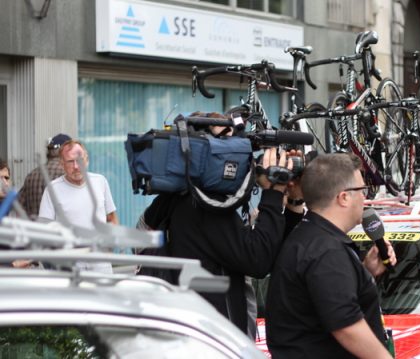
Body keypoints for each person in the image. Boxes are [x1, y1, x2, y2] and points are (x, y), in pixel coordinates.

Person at [138, 113, 305, 338]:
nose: (238, 151)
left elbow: (268, 250)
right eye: (227, 142)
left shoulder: (182, 197)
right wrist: (272, 192)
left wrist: (292, 201)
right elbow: (258, 260)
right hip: (212, 341)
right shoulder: (202, 206)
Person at [266, 153, 397, 359]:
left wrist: (365, 273)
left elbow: (325, 299)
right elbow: (346, 326)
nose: (366, 197)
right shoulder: (325, 250)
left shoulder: (310, 238)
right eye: (362, 190)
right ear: (344, 197)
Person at [38, 140, 118, 273]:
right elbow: (44, 230)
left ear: (87, 160)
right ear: (62, 164)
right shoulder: (52, 189)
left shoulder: (100, 182)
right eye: (70, 161)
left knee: (103, 294)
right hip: (69, 264)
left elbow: (112, 218)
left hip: (100, 262)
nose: (76, 166)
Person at [18, 133, 71, 219]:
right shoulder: (68, 174)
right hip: (59, 230)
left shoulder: (32, 175)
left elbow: (19, 205)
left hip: (35, 230)